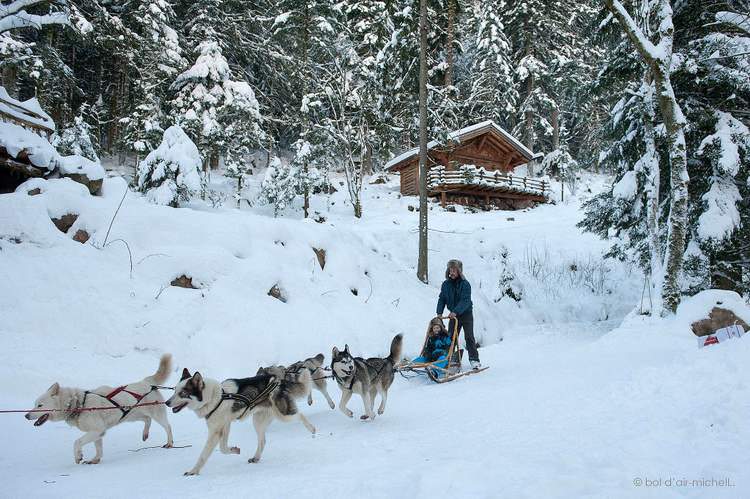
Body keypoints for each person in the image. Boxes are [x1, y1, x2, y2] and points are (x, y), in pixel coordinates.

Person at [436, 259, 481, 369]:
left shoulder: (465, 284)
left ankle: (474, 360)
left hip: (465, 314)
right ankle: (448, 358)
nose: (451, 272)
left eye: (454, 270)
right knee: (451, 337)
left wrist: (455, 311)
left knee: (469, 337)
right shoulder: (446, 284)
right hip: (453, 315)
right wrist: (439, 312)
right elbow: (442, 298)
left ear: (459, 271)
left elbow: (465, 301)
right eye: (450, 270)